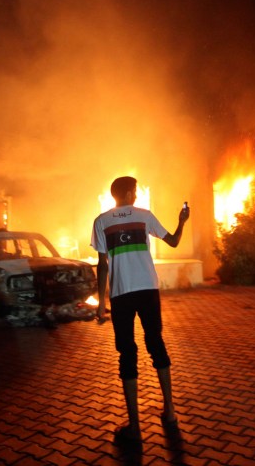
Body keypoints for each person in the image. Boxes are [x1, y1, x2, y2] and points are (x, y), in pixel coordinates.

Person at [90, 176, 190, 443]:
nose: (136, 194)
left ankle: (134, 426)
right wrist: (182, 221)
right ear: (128, 193)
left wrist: (101, 303)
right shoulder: (144, 215)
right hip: (147, 289)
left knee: (127, 353)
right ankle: (170, 412)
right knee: (156, 344)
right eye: (134, 191)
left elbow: (102, 265)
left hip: (121, 292)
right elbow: (173, 242)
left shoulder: (101, 221)